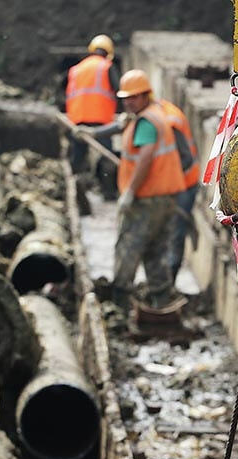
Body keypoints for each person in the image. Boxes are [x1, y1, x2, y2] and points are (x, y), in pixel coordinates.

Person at [110, 69, 185, 314]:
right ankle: (162, 298)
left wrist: (130, 191)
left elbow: (145, 157)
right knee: (155, 249)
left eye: (133, 97)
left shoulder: (145, 123)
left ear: (145, 96)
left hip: (147, 198)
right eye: (125, 98)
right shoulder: (154, 113)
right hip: (164, 197)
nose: (128, 102)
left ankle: (118, 300)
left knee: (129, 245)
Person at [61, 34, 120, 174]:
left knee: (78, 155)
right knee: (107, 156)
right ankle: (108, 190)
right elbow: (118, 91)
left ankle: (76, 183)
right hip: (100, 119)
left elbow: (66, 92)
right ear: (108, 53)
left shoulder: (75, 69)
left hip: (76, 120)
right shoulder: (107, 66)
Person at [156, 98, 199, 282]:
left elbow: (186, 159)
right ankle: (162, 280)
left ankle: (169, 281)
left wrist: (164, 181)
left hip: (184, 186)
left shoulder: (169, 121)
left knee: (175, 233)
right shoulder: (156, 112)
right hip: (172, 185)